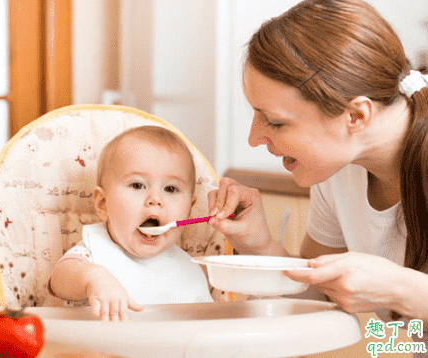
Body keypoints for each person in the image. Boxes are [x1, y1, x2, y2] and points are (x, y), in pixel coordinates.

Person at [207, 0, 428, 351]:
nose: (254, 138)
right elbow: (316, 295)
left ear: (355, 116)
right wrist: (259, 244)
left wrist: (403, 288)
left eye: (276, 121)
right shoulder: (338, 168)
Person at [48, 125, 213, 321]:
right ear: (103, 203)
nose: (155, 199)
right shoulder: (93, 254)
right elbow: (58, 280)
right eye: (137, 185)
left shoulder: (190, 270)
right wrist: (93, 278)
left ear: (189, 210)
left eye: (170, 189)